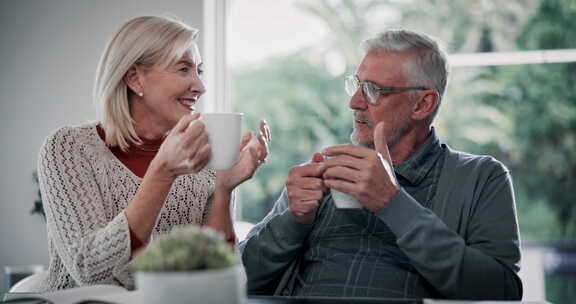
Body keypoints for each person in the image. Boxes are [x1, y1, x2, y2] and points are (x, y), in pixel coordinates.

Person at [239, 29, 522, 300]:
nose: (354, 102)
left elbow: (502, 291)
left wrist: (393, 204)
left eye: (373, 90)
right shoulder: (322, 171)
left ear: (422, 104)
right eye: (356, 85)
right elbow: (239, 280)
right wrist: (293, 220)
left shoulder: (482, 177)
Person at [36, 15, 271, 292]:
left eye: (199, 71)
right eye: (184, 69)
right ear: (135, 78)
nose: (200, 86)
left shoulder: (205, 157)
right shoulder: (67, 149)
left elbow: (219, 278)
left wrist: (224, 188)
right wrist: (162, 173)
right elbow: (90, 272)